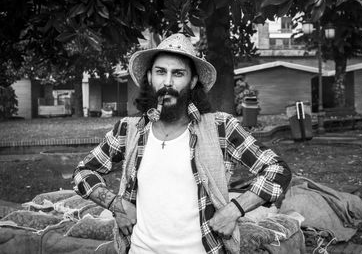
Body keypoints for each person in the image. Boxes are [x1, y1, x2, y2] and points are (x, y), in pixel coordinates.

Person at [73, 33, 292, 254]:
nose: (167, 82)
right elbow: (83, 172)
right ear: (149, 77)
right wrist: (117, 205)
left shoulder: (219, 128)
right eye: (160, 72)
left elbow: (278, 171)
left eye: (178, 74)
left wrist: (234, 210)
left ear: (193, 81)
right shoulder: (129, 130)